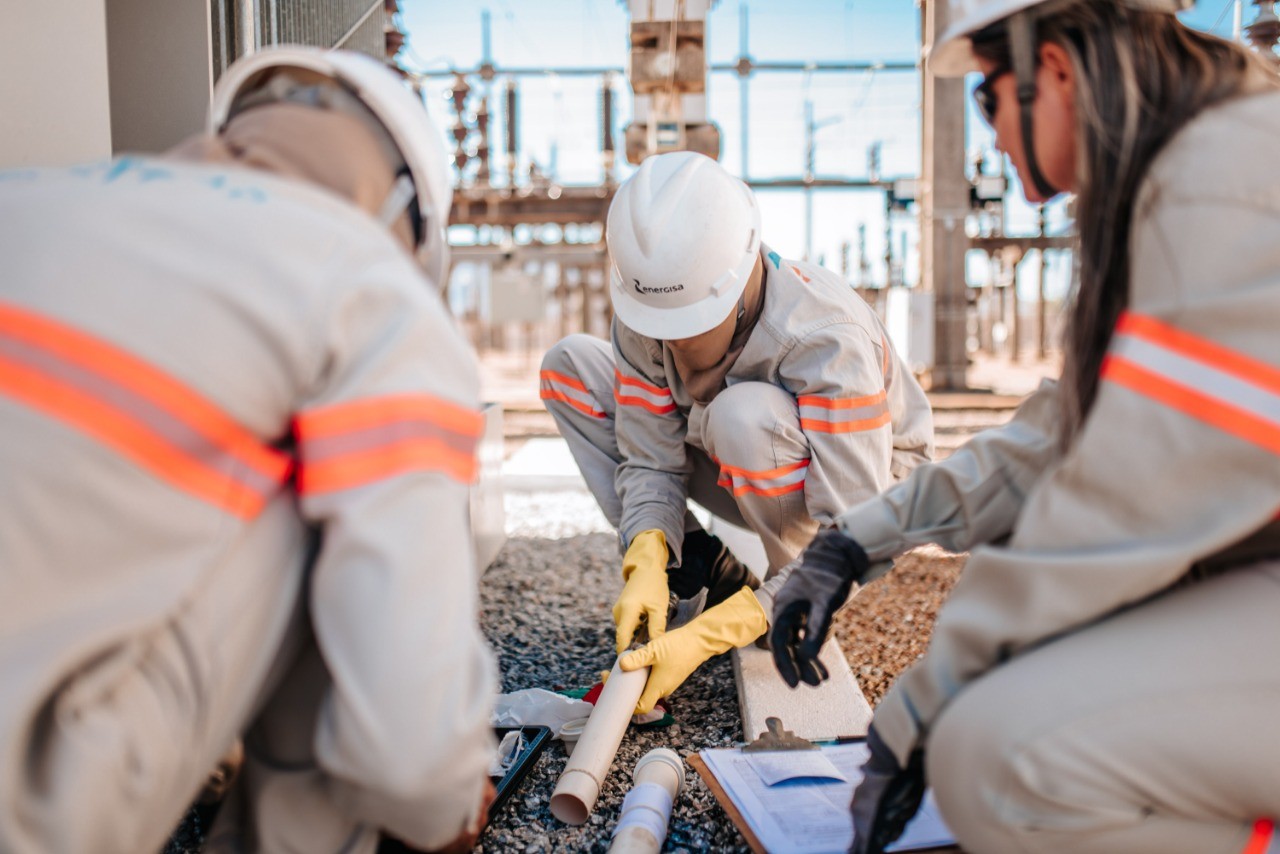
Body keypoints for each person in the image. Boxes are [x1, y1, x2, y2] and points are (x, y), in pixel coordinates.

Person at [769, 1, 1280, 852]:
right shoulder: (1188, 171)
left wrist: (922, 705)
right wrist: (852, 541)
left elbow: (1124, 498)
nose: (994, 141)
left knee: (999, 757)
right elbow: (1058, 438)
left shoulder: (1222, 177)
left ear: (1058, 69)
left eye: (987, 99)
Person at [0, 47, 498, 854]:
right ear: (402, 211)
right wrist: (445, 808)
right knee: (333, 489)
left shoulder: (28, 194)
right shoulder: (367, 287)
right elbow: (408, 753)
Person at [540, 150, 934, 713]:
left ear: (738, 283)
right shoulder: (646, 313)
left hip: (863, 489)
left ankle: (784, 604)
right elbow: (649, 460)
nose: (668, 345)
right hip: (738, 462)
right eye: (659, 328)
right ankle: (704, 573)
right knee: (570, 365)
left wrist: (714, 637)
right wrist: (648, 553)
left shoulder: (824, 337)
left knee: (742, 416)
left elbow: (854, 529)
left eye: (686, 327)